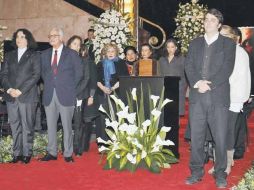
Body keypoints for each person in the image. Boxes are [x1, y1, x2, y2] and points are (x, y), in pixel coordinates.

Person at [184, 9, 236, 188]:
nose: (208, 22)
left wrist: (210, 84)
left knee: (220, 138)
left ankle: (220, 174)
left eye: (212, 20)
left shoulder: (228, 44)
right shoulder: (195, 43)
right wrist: (198, 82)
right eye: (206, 19)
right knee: (197, 138)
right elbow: (189, 65)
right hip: (198, 98)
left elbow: (226, 69)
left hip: (218, 98)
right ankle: (196, 172)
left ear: (219, 24)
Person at [207, 26, 250, 175]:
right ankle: (221, 162)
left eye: (224, 35)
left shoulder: (238, 52)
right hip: (220, 96)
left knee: (227, 131)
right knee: (218, 131)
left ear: (232, 37)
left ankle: (225, 164)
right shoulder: (224, 50)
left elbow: (233, 77)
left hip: (232, 97)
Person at [40, 28, 83, 162]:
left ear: (61, 38)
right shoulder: (44, 54)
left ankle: (68, 153)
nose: (51, 38)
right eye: (50, 35)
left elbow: (79, 73)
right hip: (49, 94)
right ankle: (52, 152)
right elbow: (43, 73)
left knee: (67, 126)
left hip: (66, 94)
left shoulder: (71, 54)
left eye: (55, 35)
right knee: (51, 125)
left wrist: (69, 86)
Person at [1, 28, 41, 164]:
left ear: (28, 40)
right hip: (11, 96)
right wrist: (10, 89)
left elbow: (36, 75)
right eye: (17, 36)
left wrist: (21, 90)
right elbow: (3, 75)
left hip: (27, 96)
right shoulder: (9, 55)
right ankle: (16, 153)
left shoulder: (34, 55)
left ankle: (27, 153)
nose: (19, 39)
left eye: (23, 37)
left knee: (27, 126)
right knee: (14, 126)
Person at [96, 43, 129, 142]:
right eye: (108, 51)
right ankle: (104, 142)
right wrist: (103, 88)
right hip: (102, 93)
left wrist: (113, 88)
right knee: (103, 118)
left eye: (112, 51)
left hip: (117, 93)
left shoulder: (121, 63)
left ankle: (117, 141)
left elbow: (124, 78)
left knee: (116, 117)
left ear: (116, 52)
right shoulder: (100, 64)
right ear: (105, 53)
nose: (110, 53)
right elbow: (96, 79)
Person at [66, 35, 90, 156]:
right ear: (69, 44)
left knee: (78, 122)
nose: (76, 46)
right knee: (66, 122)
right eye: (74, 43)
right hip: (64, 96)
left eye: (78, 44)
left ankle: (78, 148)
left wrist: (75, 93)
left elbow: (86, 79)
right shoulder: (63, 60)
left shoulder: (83, 59)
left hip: (79, 95)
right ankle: (66, 147)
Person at [158, 38, 186, 116]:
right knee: (166, 111)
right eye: (168, 47)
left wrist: (182, 86)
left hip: (178, 88)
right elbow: (159, 73)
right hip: (165, 88)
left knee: (177, 113)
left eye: (172, 47)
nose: (170, 49)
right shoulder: (161, 59)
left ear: (176, 47)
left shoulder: (182, 59)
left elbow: (185, 74)